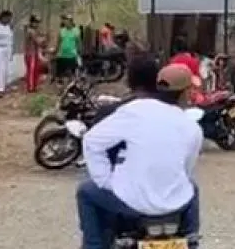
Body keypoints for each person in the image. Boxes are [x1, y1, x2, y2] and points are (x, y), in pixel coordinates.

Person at [77, 64, 202, 249]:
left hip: (131, 203)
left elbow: (91, 141)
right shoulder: (191, 125)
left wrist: (106, 181)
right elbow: (186, 168)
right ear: (186, 92)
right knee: (191, 188)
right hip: (176, 205)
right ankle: (191, 241)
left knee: (86, 191)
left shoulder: (135, 111)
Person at [23, 16, 49, 93]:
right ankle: (31, 87)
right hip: (31, 53)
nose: (37, 24)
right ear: (32, 22)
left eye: (38, 23)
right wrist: (45, 39)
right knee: (31, 71)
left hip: (34, 53)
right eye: (36, 22)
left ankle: (34, 86)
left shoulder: (34, 31)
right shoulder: (31, 31)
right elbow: (38, 42)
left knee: (35, 70)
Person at [56, 15, 82, 83]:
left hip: (72, 55)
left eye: (67, 21)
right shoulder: (61, 31)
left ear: (71, 22)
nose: (66, 22)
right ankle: (60, 83)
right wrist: (57, 52)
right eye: (65, 21)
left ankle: (71, 83)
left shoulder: (76, 31)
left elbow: (78, 42)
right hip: (62, 55)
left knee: (71, 71)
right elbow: (58, 42)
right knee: (60, 72)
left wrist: (79, 52)